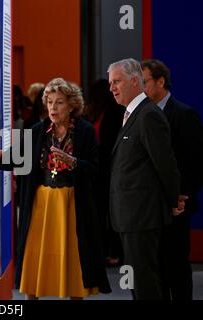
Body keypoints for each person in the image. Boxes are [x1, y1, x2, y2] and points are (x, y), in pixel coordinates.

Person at [0, 78, 111, 299]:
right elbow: (15, 158)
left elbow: (95, 171)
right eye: (50, 102)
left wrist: (72, 162)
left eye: (59, 102)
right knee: (35, 255)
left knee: (72, 256)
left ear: (71, 105)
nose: (53, 107)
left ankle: (74, 295)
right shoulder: (37, 131)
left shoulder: (85, 132)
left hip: (71, 204)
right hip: (41, 204)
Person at [108, 58, 181, 300]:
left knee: (145, 283)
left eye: (117, 81)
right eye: (111, 83)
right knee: (138, 283)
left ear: (134, 80)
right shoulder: (131, 113)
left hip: (142, 215)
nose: (112, 88)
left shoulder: (148, 115)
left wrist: (173, 200)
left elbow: (165, 164)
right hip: (130, 216)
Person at [141, 59, 203, 300]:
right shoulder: (141, 114)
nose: (141, 88)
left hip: (177, 207)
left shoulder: (184, 114)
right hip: (149, 207)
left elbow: (196, 162)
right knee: (155, 269)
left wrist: (181, 196)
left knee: (176, 266)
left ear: (160, 81)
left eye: (144, 81)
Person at [85, 79, 125, 266]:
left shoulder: (112, 113)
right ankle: (101, 251)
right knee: (99, 214)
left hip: (110, 172)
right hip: (97, 173)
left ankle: (116, 251)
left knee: (113, 214)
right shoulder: (93, 114)